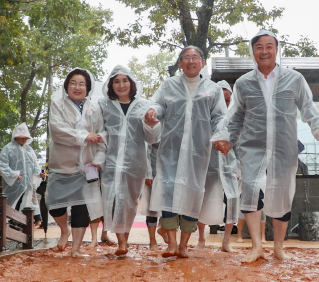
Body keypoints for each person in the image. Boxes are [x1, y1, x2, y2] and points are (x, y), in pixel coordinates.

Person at [213, 30, 319, 263]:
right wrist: (227, 139)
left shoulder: (294, 79)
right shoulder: (244, 83)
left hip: (284, 146)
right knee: (251, 190)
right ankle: (256, 246)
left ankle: (278, 247)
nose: (264, 51)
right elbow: (234, 117)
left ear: (276, 50)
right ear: (252, 51)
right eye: (259, 47)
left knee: (282, 193)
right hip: (252, 146)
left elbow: (308, 108)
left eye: (269, 46)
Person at [144, 46, 226, 259]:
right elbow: (158, 105)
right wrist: (153, 112)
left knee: (193, 196)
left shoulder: (213, 89)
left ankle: (183, 245)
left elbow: (219, 117)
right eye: (186, 58)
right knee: (169, 194)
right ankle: (171, 243)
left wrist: (220, 137)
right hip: (171, 150)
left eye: (195, 57)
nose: (191, 61)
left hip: (199, 153)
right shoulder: (169, 85)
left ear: (203, 62)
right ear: (180, 63)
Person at [100, 65, 161, 256]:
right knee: (113, 198)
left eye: (125, 80)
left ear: (132, 83)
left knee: (130, 202)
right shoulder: (104, 105)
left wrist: (151, 125)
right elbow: (100, 130)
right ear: (111, 85)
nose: (121, 85)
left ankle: (125, 236)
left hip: (136, 163)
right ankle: (122, 242)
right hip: (111, 161)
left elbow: (152, 139)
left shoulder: (144, 105)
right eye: (116, 81)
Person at [45, 68, 106, 258]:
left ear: (88, 88)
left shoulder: (95, 109)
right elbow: (57, 130)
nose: (77, 87)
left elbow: (102, 136)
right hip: (62, 164)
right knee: (54, 203)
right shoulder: (57, 104)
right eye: (73, 83)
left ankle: (76, 248)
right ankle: (65, 230)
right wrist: (84, 135)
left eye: (82, 84)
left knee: (83, 208)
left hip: (88, 166)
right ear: (66, 86)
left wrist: (98, 161)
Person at [197, 80, 240, 253]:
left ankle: (226, 241)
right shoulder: (205, 119)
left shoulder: (235, 120)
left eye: (228, 100)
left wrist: (239, 169)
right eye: (221, 100)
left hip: (229, 167)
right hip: (209, 166)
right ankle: (201, 239)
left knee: (232, 200)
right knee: (204, 200)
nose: (225, 103)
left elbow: (240, 145)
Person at [0, 123, 46, 223]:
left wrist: (39, 174)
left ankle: (18, 223)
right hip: (13, 183)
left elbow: (34, 166)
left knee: (24, 203)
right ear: (16, 137)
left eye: (25, 137)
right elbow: (2, 164)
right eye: (21, 137)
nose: (24, 139)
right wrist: (13, 174)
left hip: (27, 183)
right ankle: (6, 222)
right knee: (11, 202)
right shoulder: (8, 149)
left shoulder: (29, 150)